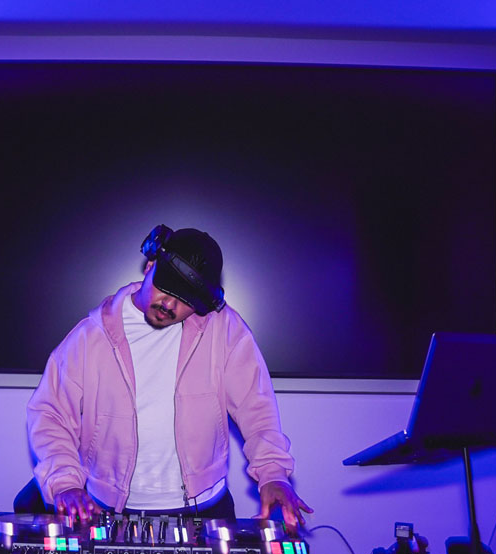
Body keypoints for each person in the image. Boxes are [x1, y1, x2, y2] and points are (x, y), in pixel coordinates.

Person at [26, 224, 312, 530]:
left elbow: (257, 408)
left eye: (186, 299)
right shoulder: (90, 336)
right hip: (107, 511)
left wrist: (273, 473)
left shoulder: (224, 330)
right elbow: (50, 413)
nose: (170, 304)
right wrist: (66, 482)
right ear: (150, 266)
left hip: (205, 510)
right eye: (166, 287)